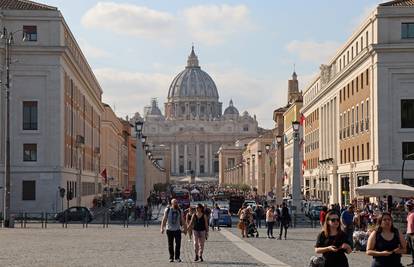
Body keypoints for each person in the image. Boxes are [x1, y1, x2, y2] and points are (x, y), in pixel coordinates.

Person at [406, 200, 414, 267]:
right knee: (411, 249)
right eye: (407, 206)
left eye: (409, 206)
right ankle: (413, 261)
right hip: (409, 233)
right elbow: (408, 224)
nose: (408, 207)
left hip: (413, 233)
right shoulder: (409, 214)